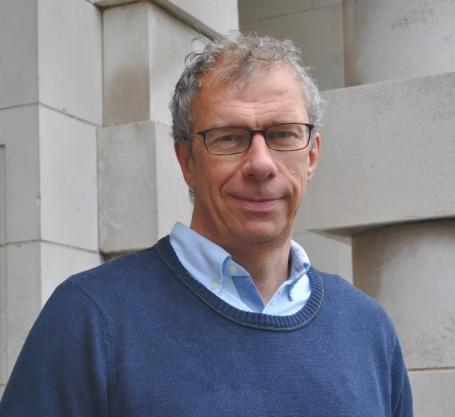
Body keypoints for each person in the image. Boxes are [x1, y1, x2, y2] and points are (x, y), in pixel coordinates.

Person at [0, 33, 413, 416]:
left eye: (284, 134)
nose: (260, 164)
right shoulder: (90, 318)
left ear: (311, 156)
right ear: (186, 162)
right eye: (229, 138)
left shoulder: (368, 329)